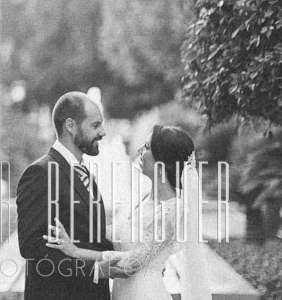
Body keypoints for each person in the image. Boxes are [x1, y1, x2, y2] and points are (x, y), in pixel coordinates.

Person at [46, 125, 213, 300]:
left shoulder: (173, 209)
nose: (140, 150)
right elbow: (111, 235)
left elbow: (132, 263)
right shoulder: (142, 199)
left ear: (162, 161)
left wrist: (75, 251)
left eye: (147, 147)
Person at [16, 91, 113, 299]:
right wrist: (94, 269)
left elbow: (92, 239)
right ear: (71, 126)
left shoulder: (83, 172)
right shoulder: (41, 173)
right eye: (95, 125)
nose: (103, 132)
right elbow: (33, 247)